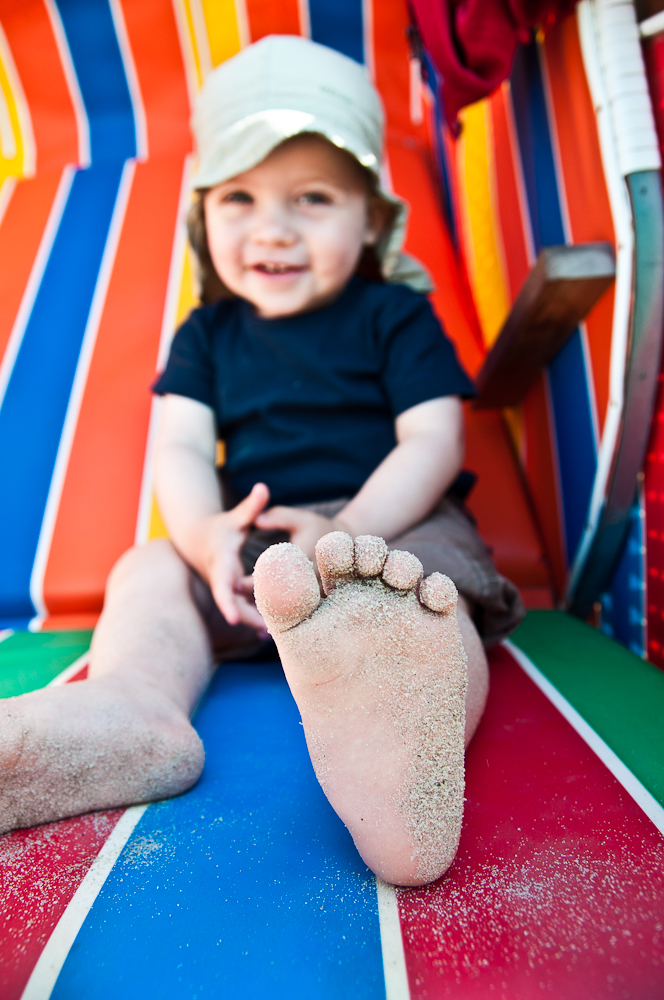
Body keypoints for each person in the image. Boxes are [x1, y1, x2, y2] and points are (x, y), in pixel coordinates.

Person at [0, 36, 523, 886]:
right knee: (148, 568)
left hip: (388, 526)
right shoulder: (206, 333)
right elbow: (177, 442)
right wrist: (204, 537)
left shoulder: (392, 315)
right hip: (254, 549)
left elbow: (433, 441)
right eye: (239, 198)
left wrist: (350, 528)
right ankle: (134, 705)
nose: (272, 229)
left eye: (313, 198)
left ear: (372, 218)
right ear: (204, 216)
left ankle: (409, 722)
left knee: (431, 589)